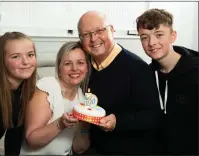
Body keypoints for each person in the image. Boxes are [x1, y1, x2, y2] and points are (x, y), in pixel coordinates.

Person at [77, 11, 162, 155]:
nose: (93, 38)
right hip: (93, 147)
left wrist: (118, 121)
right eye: (86, 34)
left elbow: (153, 116)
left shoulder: (137, 68)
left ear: (112, 30)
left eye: (99, 30)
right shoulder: (82, 66)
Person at [136, 8, 198, 155]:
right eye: (144, 37)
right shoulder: (148, 75)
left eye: (159, 35)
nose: (152, 42)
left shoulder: (195, 73)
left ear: (173, 36)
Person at [20, 41, 91, 155]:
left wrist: (85, 126)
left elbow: (79, 148)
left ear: (87, 67)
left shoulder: (82, 100)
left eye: (80, 63)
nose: (74, 68)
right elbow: (31, 140)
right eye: (67, 63)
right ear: (59, 68)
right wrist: (61, 124)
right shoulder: (48, 87)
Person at [0, 32, 37, 155]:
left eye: (30, 55)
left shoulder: (25, 91)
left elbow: (14, 137)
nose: (26, 62)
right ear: (1, 60)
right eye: (16, 57)